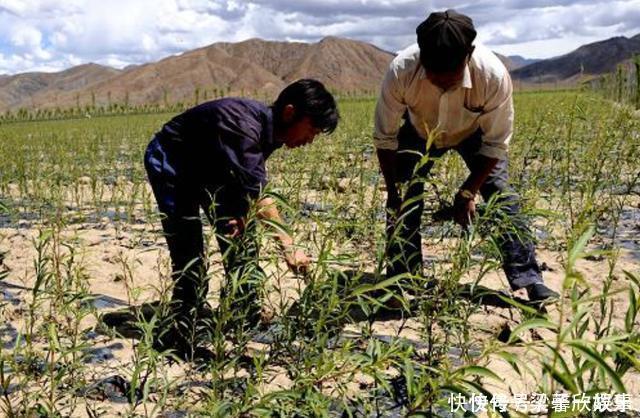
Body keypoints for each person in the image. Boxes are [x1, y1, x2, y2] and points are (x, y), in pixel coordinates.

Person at [144, 79, 339, 359]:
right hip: (171, 163)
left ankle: (243, 314)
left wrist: (242, 216)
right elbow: (260, 195)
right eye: (311, 130)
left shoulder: (270, 135)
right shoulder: (243, 126)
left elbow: (245, 183)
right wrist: (288, 245)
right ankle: (183, 325)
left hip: (210, 166)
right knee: (189, 249)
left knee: (240, 238)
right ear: (289, 112)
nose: (310, 140)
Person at [373, 10, 559, 303]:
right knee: (403, 203)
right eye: (436, 78)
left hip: (475, 135)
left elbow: (496, 143)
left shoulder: (493, 75)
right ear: (422, 57)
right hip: (419, 132)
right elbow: (385, 138)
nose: (445, 85)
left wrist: (469, 190)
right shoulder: (401, 72)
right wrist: (394, 192)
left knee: (501, 197)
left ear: (469, 54)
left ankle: (529, 280)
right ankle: (403, 278)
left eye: (453, 78)